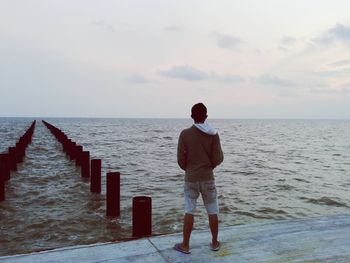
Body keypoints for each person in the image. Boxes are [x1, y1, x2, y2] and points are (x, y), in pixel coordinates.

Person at [174, 102, 224, 254]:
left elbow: (180, 160)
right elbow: (219, 158)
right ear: (206, 116)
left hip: (191, 178)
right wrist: (210, 166)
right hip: (208, 177)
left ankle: (185, 245)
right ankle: (214, 243)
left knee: (189, 210)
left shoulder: (185, 134)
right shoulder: (213, 134)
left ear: (192, 117)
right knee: (212, 210)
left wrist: (189, 169)